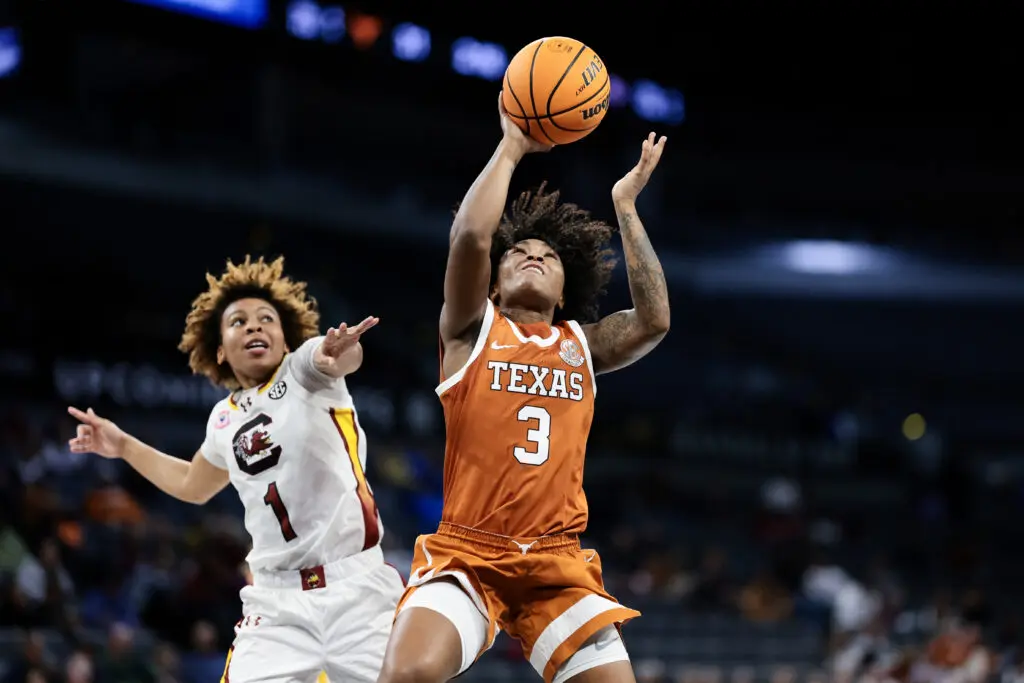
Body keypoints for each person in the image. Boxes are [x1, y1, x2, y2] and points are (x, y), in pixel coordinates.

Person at [378, 95, 671, 683]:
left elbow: (653, 320)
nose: (533, 257)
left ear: (565, 290)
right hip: (470, 552)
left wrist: (625, 206)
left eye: (548, 255)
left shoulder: (580, 344)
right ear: (493, 283)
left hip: (557, 560)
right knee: (407, 674)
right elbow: (468, 240)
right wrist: (512, 145)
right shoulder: (470, 330)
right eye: (518, 252)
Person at [67, 256, 404, 683]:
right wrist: (123, 445)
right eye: (238, 322)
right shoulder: (222, 419)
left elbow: (334, 358)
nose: (254, 326)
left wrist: (340, 351)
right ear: (221, 351)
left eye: (266, 319)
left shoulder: (304, 372)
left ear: (285, 340)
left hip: (358, 590)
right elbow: (193, 485)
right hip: (276, 604)